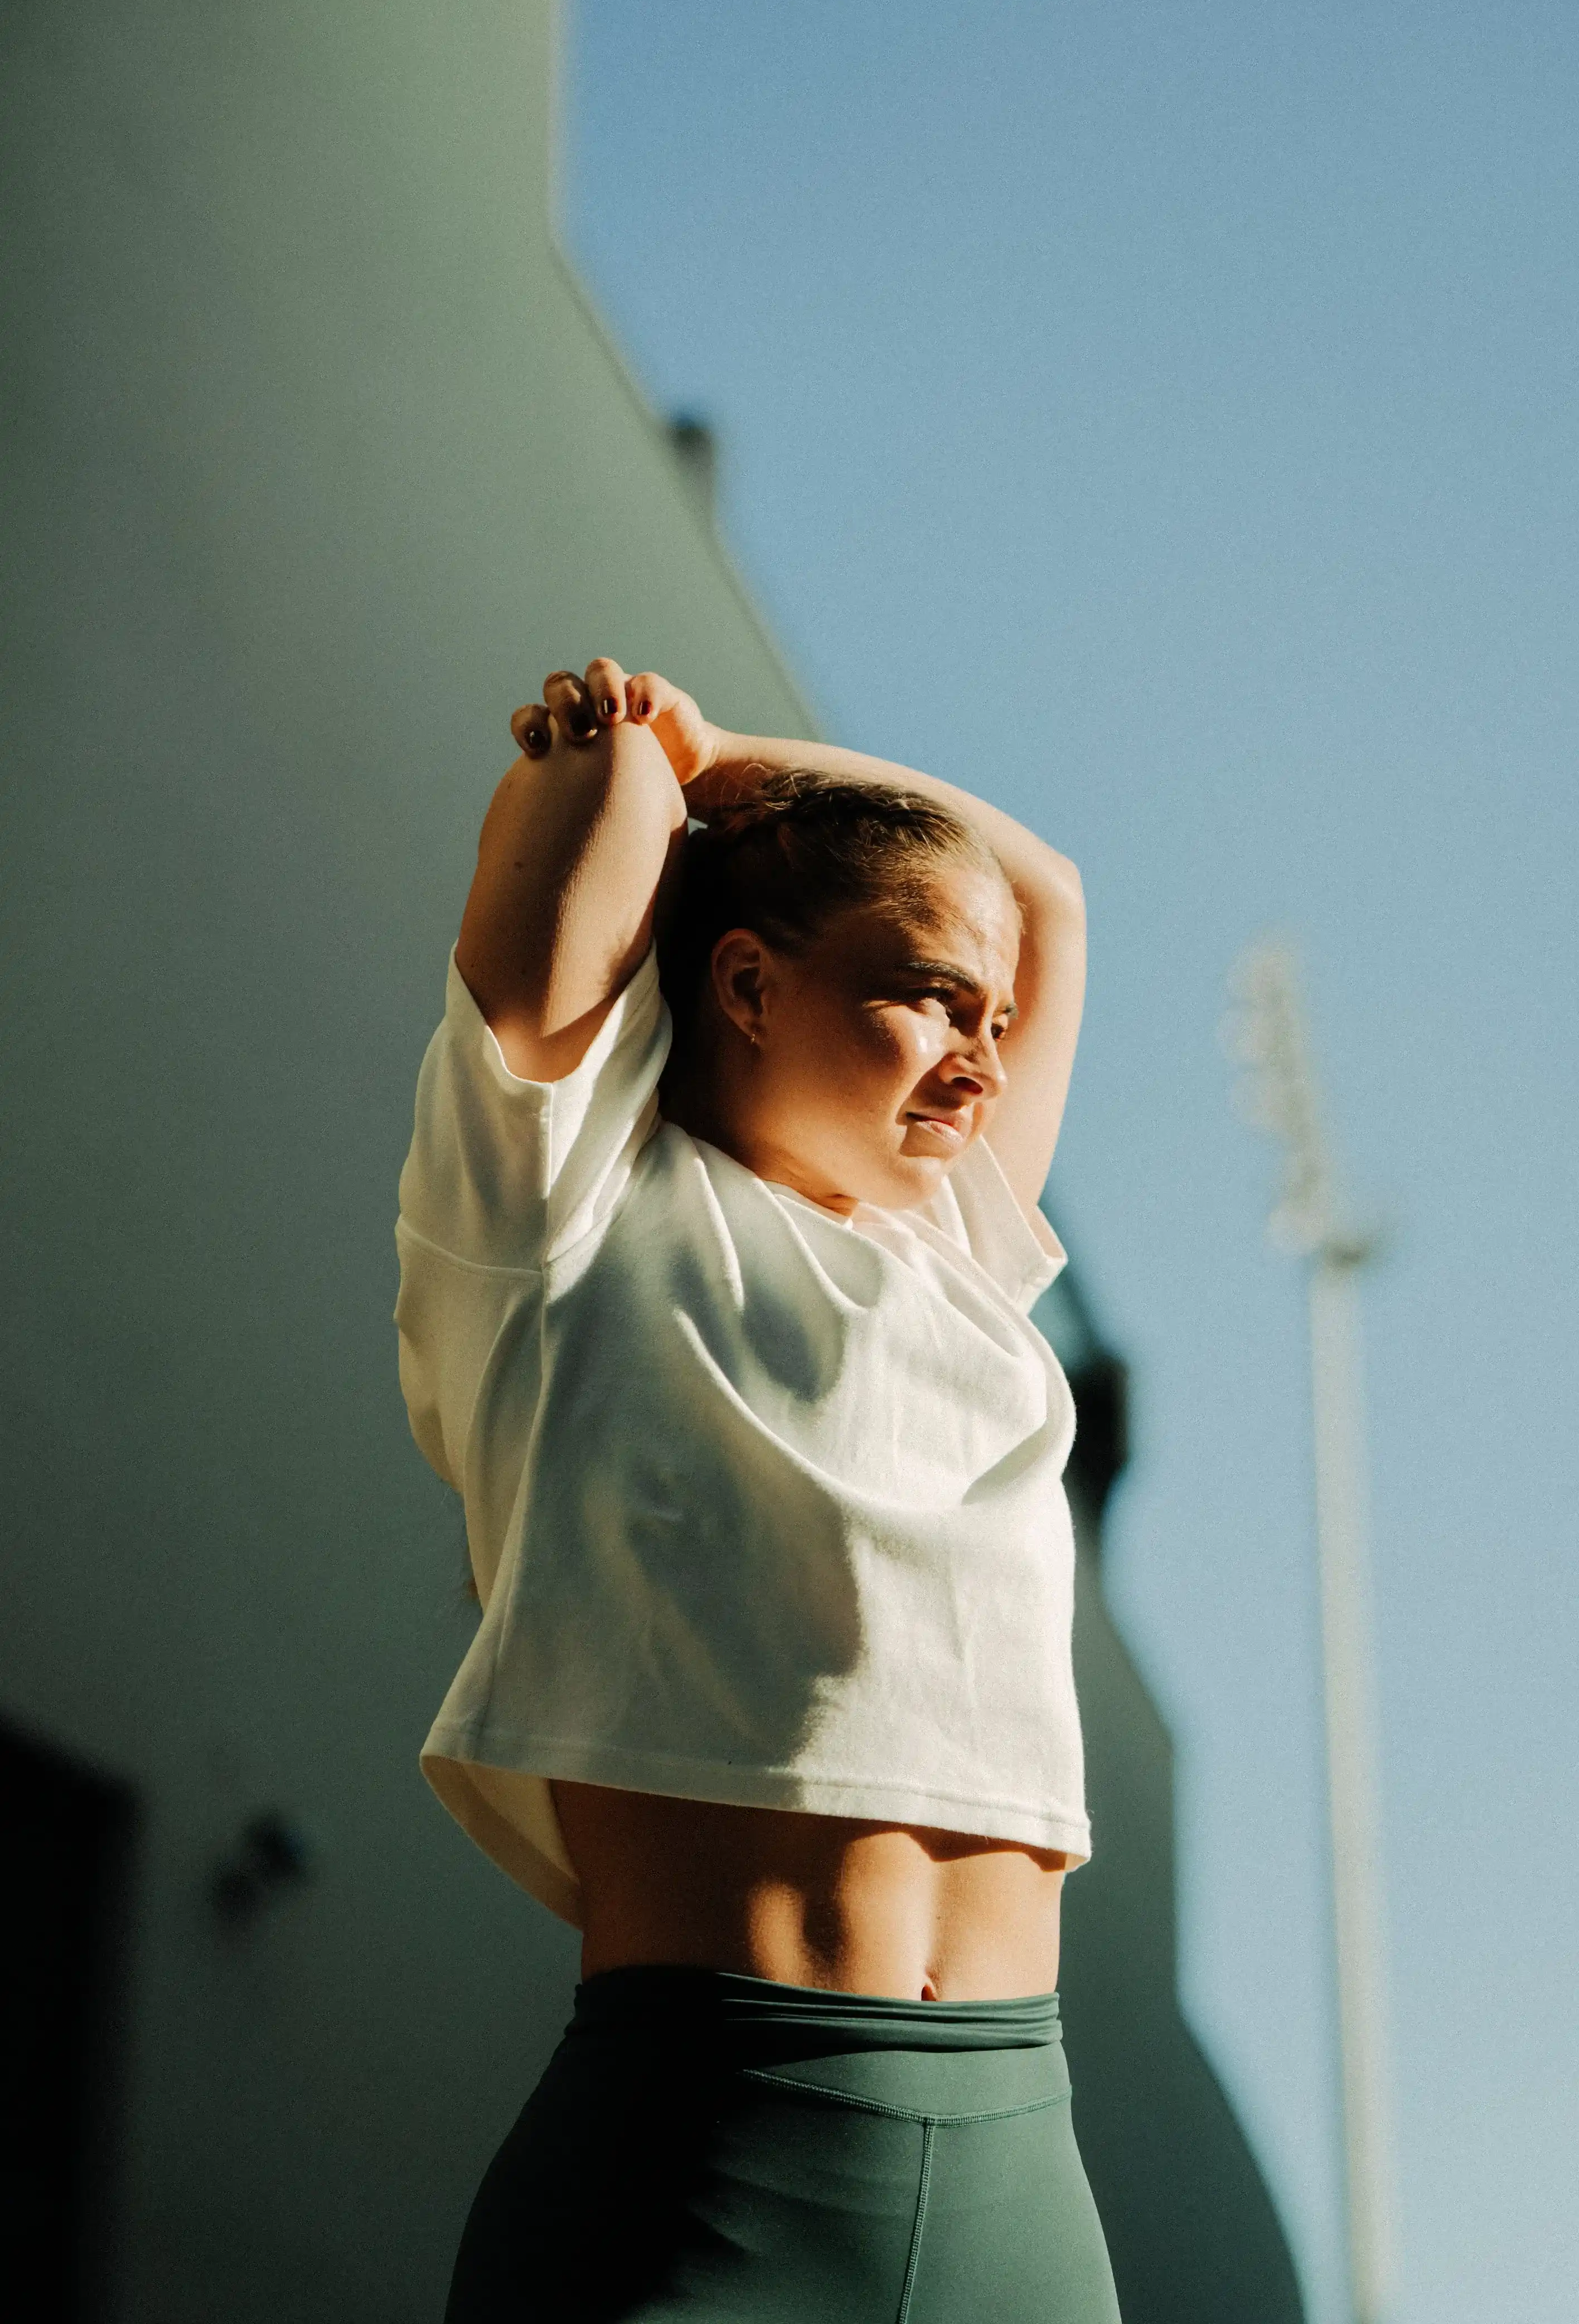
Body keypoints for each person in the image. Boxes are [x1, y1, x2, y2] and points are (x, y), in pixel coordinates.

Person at [395, 658, 1121, 2320]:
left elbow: (1045, 892)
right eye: (936, 996)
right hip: (702, 2158)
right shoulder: (567, 1225)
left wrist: (737, 752)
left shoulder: (955, 1266)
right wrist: (664, 761)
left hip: (1020, 2158)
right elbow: (601, 799)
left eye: (996, 1025)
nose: (986, 1063)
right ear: (742, 984)